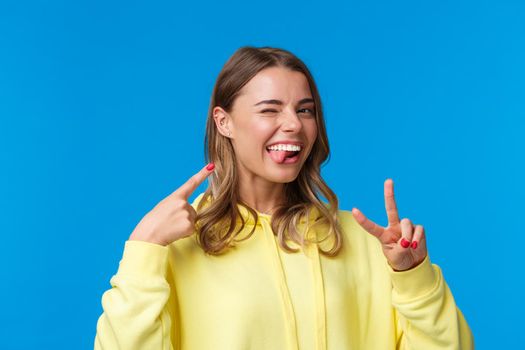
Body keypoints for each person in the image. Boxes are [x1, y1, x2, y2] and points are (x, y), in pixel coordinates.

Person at [94, 46, 474, 349]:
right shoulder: (176, 246)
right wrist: (143, 251)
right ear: (223, 122)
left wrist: (414, 277)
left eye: (304, 110)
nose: (294, 124)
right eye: (269, 109)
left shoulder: (366, 243)